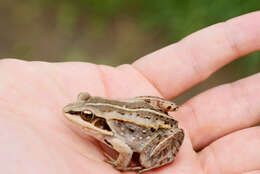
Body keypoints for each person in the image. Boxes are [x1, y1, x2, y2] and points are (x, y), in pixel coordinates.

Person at [1, 11, 259, 174]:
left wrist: (121, 166)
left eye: (87, 114)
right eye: (85, 109)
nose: (76, 113)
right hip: (143, 113)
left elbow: (125, 152)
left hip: (157, 132)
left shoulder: (114, 137)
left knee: (144, 159)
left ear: (98, 119)